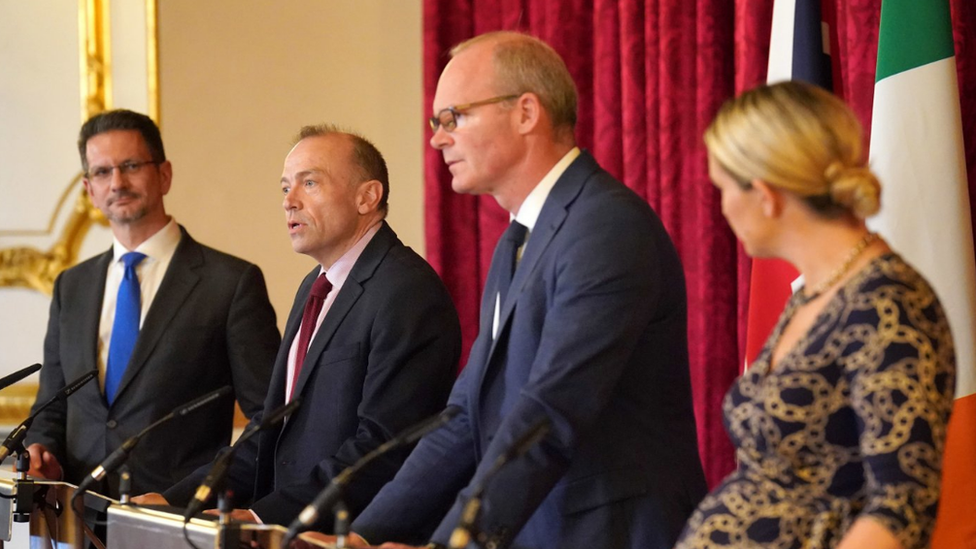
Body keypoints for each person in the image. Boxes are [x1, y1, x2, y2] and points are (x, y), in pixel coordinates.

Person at [312, 31, 706, 549]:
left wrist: (451, 543)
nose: (437, 139)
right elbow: (465, 417)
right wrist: (364, 535)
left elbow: (549, 412)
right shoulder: (514, 244)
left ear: (526, 113)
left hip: (608, 534)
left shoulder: (605, 228)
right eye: (437, 123)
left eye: (454, 118)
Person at [674, 81, 956, 549]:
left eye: (722, 188)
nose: (721, 207)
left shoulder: (889, 302)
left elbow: (900, 508)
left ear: (765, 195)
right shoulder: (816, 295)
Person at [135, 126, 461, 528]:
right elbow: (272, 428)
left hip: (352, 534)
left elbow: (384, 445)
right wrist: (177, 500)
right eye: (286, 187)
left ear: (367, 197)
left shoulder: (406, 290)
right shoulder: (316, 286)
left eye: (309, 183)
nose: (289, 202)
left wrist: (262, 516)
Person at [25, 109, 280, 498]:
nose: (117, 182)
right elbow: (52, 407)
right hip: (76, 516)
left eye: (130, 166)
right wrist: (41, 448)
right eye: (102, 172)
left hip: (176, 517)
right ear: (88, 189)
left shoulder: (230, 283)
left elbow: (268, 417)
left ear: (164, 175)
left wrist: (191, 496)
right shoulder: (70, 288)